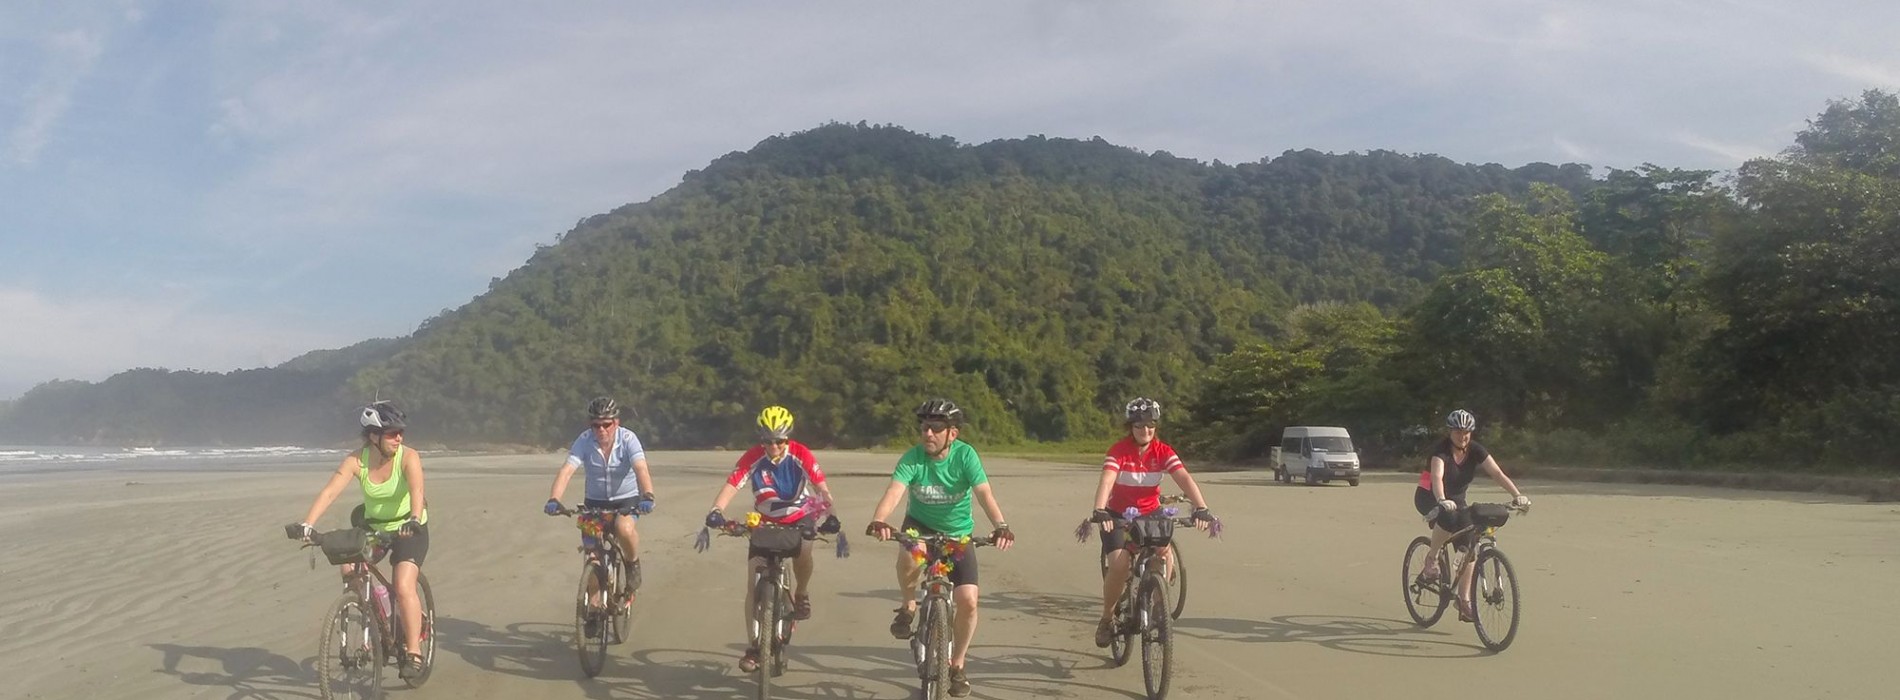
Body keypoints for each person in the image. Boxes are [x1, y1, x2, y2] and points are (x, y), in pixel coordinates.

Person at [865, 398, 1013, 698]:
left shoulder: (965, 456)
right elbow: (895, 491)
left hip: (958, 536)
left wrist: (1000, 525)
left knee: (968, 600)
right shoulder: (913, 458)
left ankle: (957, 665)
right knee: (910, 551)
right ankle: (908, 605)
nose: (928, 434)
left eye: (935, 428)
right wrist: (879, 519)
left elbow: (984, 492)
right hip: (919, 527)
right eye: (924, 427)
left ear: (952, 434)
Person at [291, 401, 430, 680]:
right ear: (373, 437)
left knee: (404, 585)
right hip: (373, 528)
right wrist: (308, 524)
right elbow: (331, 492)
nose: (399, 437)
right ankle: (377, 615)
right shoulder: (356, 461)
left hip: (408, 528)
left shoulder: (408, 457)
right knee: (349, 568)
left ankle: (413, 649)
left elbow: (417, 490)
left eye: (400, 432)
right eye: (391, 433)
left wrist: (414, 519)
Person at [704, 405, 838, 672]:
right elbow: (733, 483)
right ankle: (754, 646)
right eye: (767, 441)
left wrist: (831, 515)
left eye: (779, 441)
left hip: (801, 514)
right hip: (765, 519)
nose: (774, 446)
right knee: (753, 581)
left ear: (788, 438)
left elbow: (821, 488)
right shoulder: (753, 456)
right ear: (761, 439)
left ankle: (801, 592)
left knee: (806, 549)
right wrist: (716, 510)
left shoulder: (801, 454)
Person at [1087, 397, 1218, 648]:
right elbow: (1106, 480)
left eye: (1150, 425)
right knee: (1120, 564)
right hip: (1117, 514)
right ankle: (1106, 618)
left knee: (1164, 554)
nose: (1145, 431)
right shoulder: (1118, 451)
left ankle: (1159, 605)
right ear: (1130, 427)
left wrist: (1201, 507)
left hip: (1150, 513)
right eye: (1138, 426)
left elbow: (1184, 478)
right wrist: (1099, 509)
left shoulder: (1163, 452)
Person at [544, 396, 655, 635]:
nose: (601, 430)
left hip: (626, 501)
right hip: (594, 504)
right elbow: (567, 470)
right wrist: (554, 499)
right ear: (589, 425)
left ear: (617, 422)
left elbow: (641, 469)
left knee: (624, 529)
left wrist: (647, 496)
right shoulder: (584, 441)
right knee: (592, 557)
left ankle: (633, 564)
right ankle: (594, 608)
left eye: (607, 424)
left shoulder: (628, 439)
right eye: (596, 425)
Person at [1414, 408, 1530, 622]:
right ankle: (1432, 559)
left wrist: (1517, 495)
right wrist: (1441, 500)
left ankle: (1464, 601)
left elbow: (1496, 473)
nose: (1463, 436)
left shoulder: (1475, 450)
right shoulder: (1440, 451)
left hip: (1456, 499)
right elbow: (1437, 478)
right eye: (1458, 431)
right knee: (1448, 519)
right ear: (1450, 432)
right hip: (1429, 496)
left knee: (1469, 544)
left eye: (1467, 431)